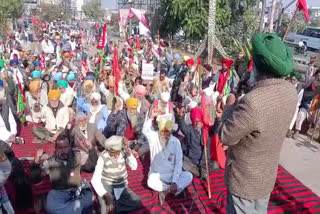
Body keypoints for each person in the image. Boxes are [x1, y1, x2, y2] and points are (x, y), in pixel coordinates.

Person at [213, 33, 297, 214]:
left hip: (244, 182)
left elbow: (226, 136)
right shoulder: (290, 92)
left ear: (256, 66)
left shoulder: (253, 102)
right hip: (266, 176)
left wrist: (229, 105)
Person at [32, 135, 93, 214]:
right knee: (50, 206)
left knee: (89, 199)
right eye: (60, 148)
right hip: (59, 192)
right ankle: (74, 208)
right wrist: (36, 161)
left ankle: (73, 208)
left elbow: (92, 166)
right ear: (56, 148)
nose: (63, 150)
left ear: (70, 147)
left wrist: (91, 149)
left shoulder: (78, 155)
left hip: (77, 190)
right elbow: (35, 177)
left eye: (66, 147)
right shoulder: (50, 161)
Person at [143, 108, 193, 205]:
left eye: (167, 132)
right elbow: (145, 131)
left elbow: (179, 163)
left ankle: (166, 192)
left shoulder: (175, 142)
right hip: (157, 175)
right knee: (150, 181)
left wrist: (174, 181)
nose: (165, 134)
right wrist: (150, 118)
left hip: (171, 176)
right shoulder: (154, 138)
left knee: (189, 176)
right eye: (163, 132)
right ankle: (175, 190)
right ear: (159, 130)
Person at [91, 136, 142, 214]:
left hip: (121, 186)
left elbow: (134, 167)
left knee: (138, 203)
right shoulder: (103, 156)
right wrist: (105, 195)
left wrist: (129, 154)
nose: (115, 155)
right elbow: (94, 179)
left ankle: (115, 208)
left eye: (117, 152)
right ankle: (112, 206)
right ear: (108, 150)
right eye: (112, 153)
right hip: (107, 185)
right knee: (105, 211)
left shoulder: (124, 152)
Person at [176, 107, 214, 178]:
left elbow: (216, 128)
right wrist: (180, 118)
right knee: (183, 163)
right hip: (193, 161)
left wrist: (218, 119)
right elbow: (183, 127)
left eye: (199, 121)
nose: (197, 123)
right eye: (195, 121)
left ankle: (202, 173)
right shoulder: (190, 130)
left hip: (206, 161)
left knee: (215, 166)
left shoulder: (207, 129)